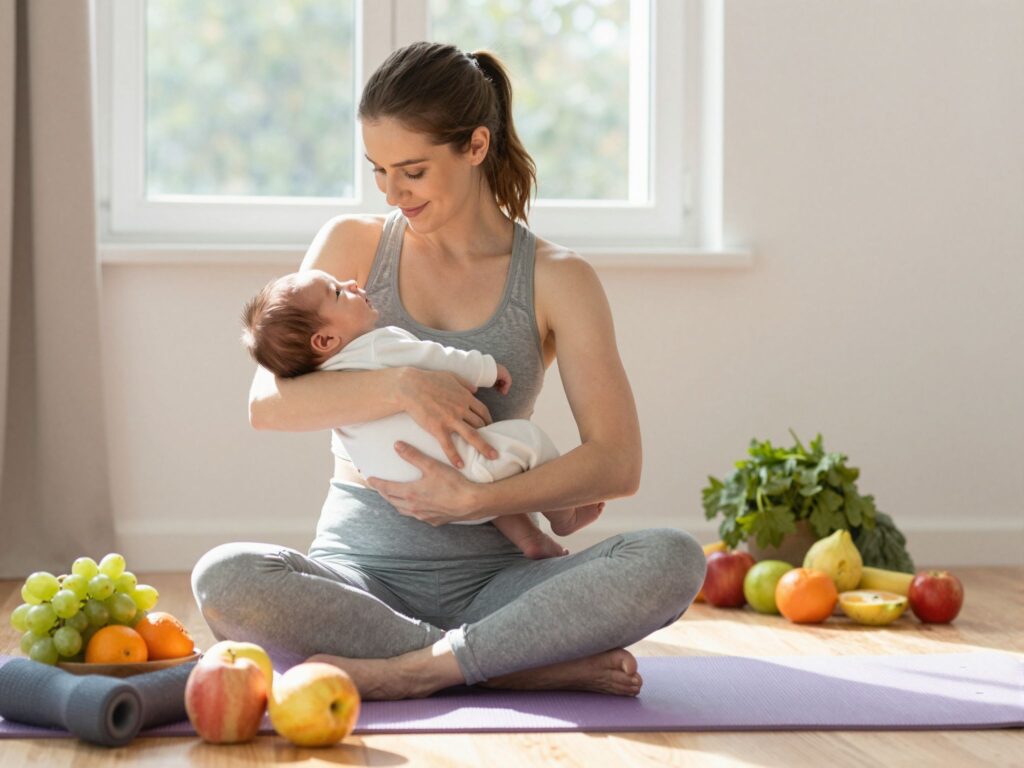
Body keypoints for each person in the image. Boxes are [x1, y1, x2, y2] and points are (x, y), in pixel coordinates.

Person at [192, 41, 705, 700]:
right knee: (225, 576)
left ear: (475, 146)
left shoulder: (557, 278)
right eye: (378, 170)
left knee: (671, 558)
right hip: (360, 578)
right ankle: (508, 664)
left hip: (501, 583)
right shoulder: (351, 247)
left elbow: (617, 461)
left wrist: (479, 501)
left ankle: (424, 670)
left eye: (411, 170)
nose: (391, 192)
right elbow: (268, 405)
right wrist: (404, 383)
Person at [239, 268, 603, 559]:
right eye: (337, 292)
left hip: (404, 486)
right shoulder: (379, 346)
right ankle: (564, 515)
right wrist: (488, 369)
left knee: (489, 482)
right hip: (458, 461)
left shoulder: (321, 386)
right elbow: (436, 357)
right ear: (324, 340)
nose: (350, 282)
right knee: (529, 441)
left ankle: (530, 540)